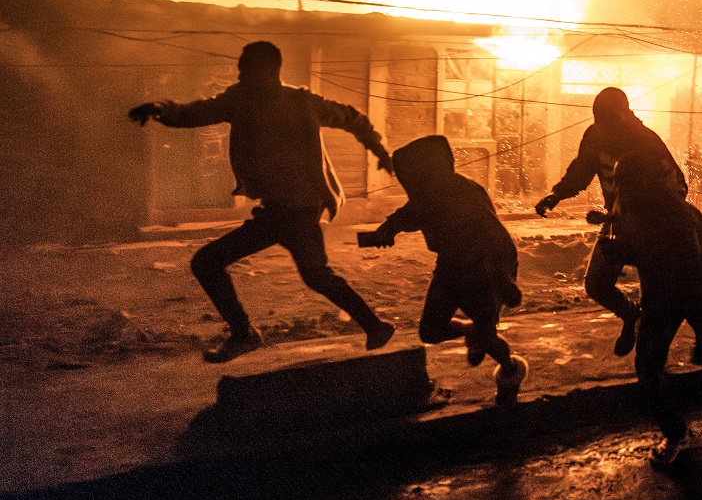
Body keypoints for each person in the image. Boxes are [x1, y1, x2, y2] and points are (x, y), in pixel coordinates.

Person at [128, 41, 396, 363]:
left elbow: (352, 118)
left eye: (245, 66)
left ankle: (245, 335)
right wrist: (161, 108)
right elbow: (194, 112)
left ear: (267, 69)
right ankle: (374, 326)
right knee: (316, 275)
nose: (239, 72)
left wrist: (381, 152)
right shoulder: (241, 100)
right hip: (287, 209)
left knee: (208, 263)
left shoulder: (297, 101)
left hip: (294, 211)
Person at [359, 135, 528, 404]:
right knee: (430, 331)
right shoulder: (430, 194)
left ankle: (510, 371)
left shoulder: (462, 194)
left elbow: (493, 241)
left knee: (487, 338)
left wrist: (502, 280)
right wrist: (386, 230)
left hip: (485, 267)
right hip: (451, 265)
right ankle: (471, 331)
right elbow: (408, 214)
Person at [602, 151, 702, 469]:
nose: (620, 190)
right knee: (649, 367)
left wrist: (625, 252)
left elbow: (672, 259)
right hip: (668, 292)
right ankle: (676, 433)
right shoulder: (637, 207)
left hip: (701, 287)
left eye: (625, 183)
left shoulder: (673, 214)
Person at [534, 87, 687, 357]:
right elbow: (581, 169)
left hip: (652, 226)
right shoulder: (595, 137)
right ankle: (631, 315)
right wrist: (557, 195)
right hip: (617, 222)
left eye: (608, 121)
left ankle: (652, 351)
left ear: (625, 115)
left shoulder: (646, 142)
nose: (602, 128)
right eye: (598, 121)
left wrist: (663, 217)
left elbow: (677, 183)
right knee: (596, 284)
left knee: (656, 293)